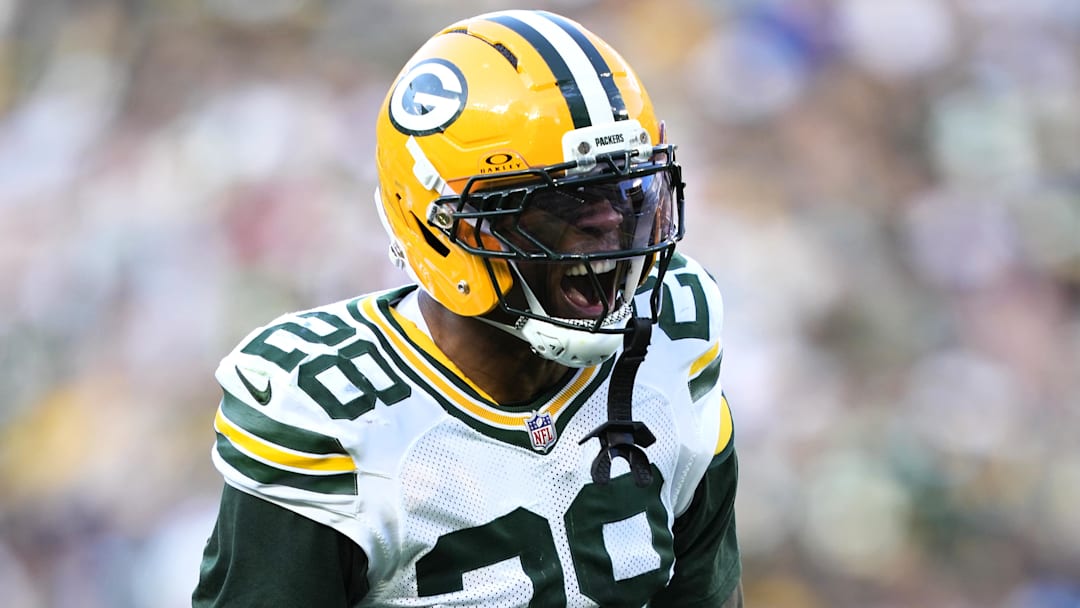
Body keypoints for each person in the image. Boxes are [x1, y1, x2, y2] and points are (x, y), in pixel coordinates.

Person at [193, 8, 742, 607]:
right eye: (562, 208)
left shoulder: (673, 334)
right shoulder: (332, 416)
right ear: (441, 231)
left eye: (626, 193)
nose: (611, 233)